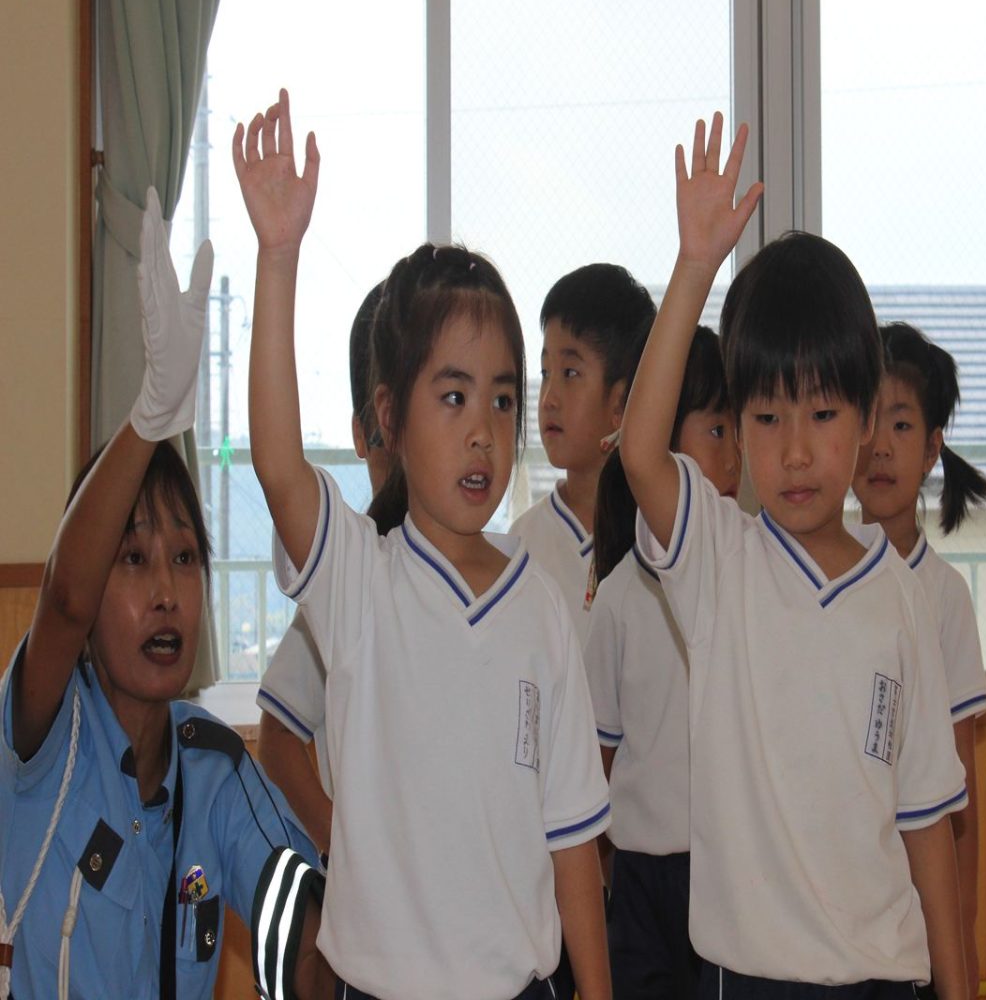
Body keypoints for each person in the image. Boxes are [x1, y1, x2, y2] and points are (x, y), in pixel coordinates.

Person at [233, 89, 612, 1000]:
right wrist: (278, 258)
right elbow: (279, 466)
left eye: (502, 398)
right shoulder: (361, 583)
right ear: (388, 416)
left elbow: (573, 846)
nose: (483, 429)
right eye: (452, 396)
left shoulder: (542, 607)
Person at [620, 114, 969, 1000]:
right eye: (768, 419)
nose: (797, 451)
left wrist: (960, 987)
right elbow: (641, 453)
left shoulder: (904, 600)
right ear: (738, 430)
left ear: (868, 417)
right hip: (748, 977)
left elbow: (928, 825)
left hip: (885, 976)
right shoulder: (719, 562)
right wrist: (694, 266)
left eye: (822, 415)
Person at [0, 193, 326, 1000]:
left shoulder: (215, 768)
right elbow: (62, 601)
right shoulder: (46, 742)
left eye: (185, 558)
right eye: (133, 559)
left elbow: (300, 921)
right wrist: (151, 415)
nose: (166, 592)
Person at [585, 325, 739, 1000]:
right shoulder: (619, 598)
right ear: (660, 441)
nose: (735, 453)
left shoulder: (749, 580)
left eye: (740, 430)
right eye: (717, 430)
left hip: (731, 873)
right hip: (642, 881)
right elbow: (598, 762)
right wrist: (603, 876)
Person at [852, 321, 986, 1000]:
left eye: (902, 425)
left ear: (933, 448)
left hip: (913, 921)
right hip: (837, 909)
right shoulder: (813, 578)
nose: (880, 446)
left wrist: (959, 939)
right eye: (869, 421)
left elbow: (960, 796)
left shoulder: (944, 597)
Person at [256, 280, 387, 855]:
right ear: (364, 431)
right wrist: (345, 845)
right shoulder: (346, 574)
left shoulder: (509, 574)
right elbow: (278, 737)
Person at [512, 263, 656, 639]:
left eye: (570, 373)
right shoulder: (523, 542)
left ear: (622, 402)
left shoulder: (658, 532)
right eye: (545, 372)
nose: (548, 398)